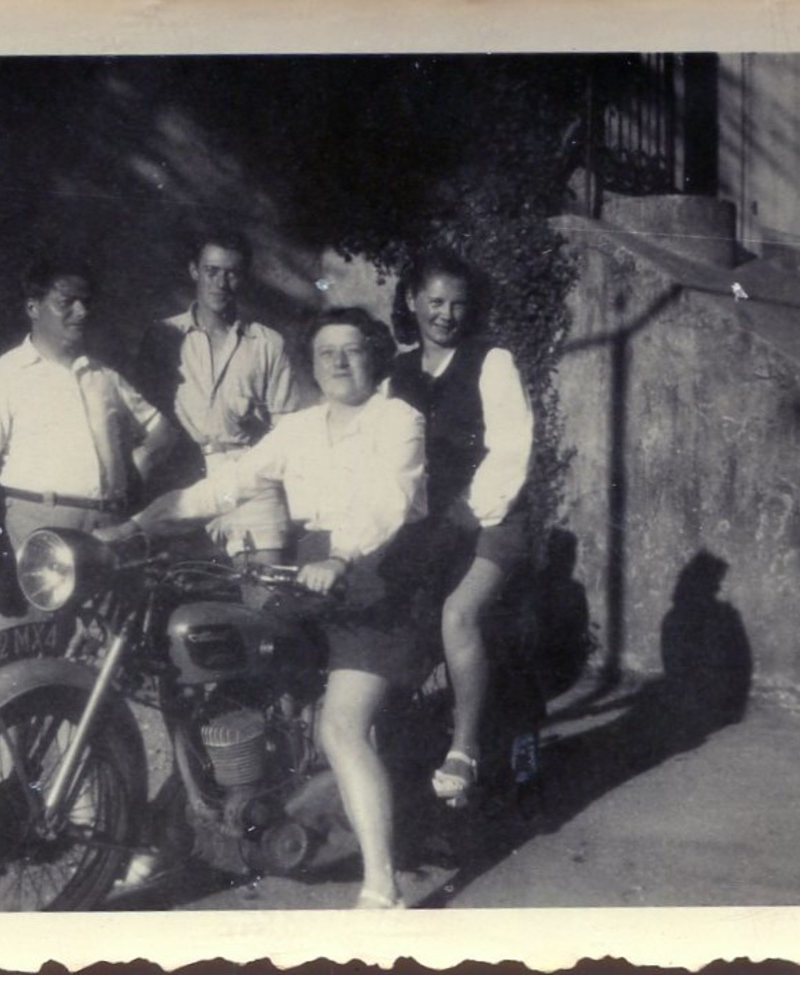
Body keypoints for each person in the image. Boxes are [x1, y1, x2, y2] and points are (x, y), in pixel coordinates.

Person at [97, 307, 426, 910]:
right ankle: (192, 828)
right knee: (212, 687)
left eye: (352, 350)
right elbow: (229, 484)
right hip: (305, 568)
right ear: (312, 363)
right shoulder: (300, 429)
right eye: (326, 353)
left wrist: (342, 558)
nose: (338, 362)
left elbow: (389, 502)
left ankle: (383, 887)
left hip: (380, 575)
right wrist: (140, 525)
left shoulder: (397, 419)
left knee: (341, 726)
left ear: (375, 356)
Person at [0, 258, 177, 630]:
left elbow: (163, 431)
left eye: (86, 301)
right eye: (66, 302)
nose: (81, 311)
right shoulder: (5, 376)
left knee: (103, 655)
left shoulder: (103, 376)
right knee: (30, 653)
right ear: (32, 307)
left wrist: (135, 470)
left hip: (107, 531)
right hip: (39, 529)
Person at [388, 247, 535, 809]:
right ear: (411, 300)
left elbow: (510, 451)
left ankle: (465, 748)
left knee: (458, 615)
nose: (446, 315)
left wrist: (460, 517)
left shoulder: (490, 361)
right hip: (427, 521)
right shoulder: (397, 371)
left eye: (457, 304)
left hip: (492, 517)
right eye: (435, 302)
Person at [153, 230, 306, 562]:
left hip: (249, 477)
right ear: (195, 270)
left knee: (264, 596)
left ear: (244, 278)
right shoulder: (163, 337)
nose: (221, 283)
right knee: (169, 586)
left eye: (232, 273)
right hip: (183, 477)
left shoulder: (267, 343)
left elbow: (289, 430)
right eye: (212, 271)